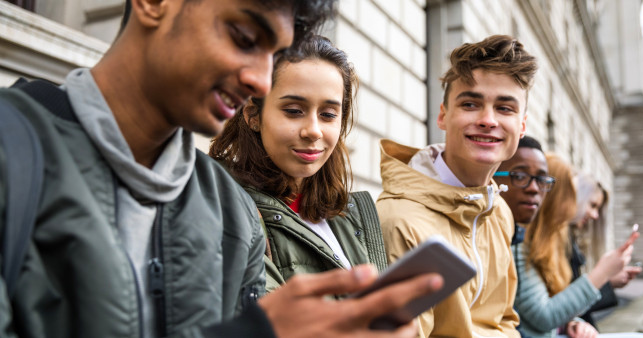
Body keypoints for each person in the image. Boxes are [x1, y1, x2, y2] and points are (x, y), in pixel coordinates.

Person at [0, 0, 443, 337]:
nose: (260, 81)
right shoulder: (13, 150)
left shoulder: (228, 207)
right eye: (244, 37)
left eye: (273, 55)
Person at [376, 35, 538, 338]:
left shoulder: (499, 210)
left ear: (522, 126)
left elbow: (503, 321)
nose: (488, 120)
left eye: (505, 108)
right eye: (470, 104)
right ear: (443, 115)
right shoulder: (400, 221)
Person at [210, 35, 388, 291]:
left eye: (328, 115)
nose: (314, 131)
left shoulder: (350, 215)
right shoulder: (223, 205)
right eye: (293, 111)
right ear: (252, 114)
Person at [511, 154, 638, 338]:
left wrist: (572, 323)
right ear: (556, 198)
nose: (575, 208)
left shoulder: (551, 244)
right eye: (572, 197)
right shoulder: (519, 245)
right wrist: (603, 274)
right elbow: (544, 316)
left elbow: (554, 306)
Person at [494, 135, 554, 338]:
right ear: (492, 176)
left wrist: (571, 322)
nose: (533, 188)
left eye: (542, 179)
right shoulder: (480, 238)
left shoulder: (516, 237)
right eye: (520, 176)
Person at [570, 174, 642, 327]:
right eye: (592, 205)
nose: (595, 215)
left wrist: (608, 279)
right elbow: (564, 308)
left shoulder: (571, 243)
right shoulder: (562, 245)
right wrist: (605, 277)